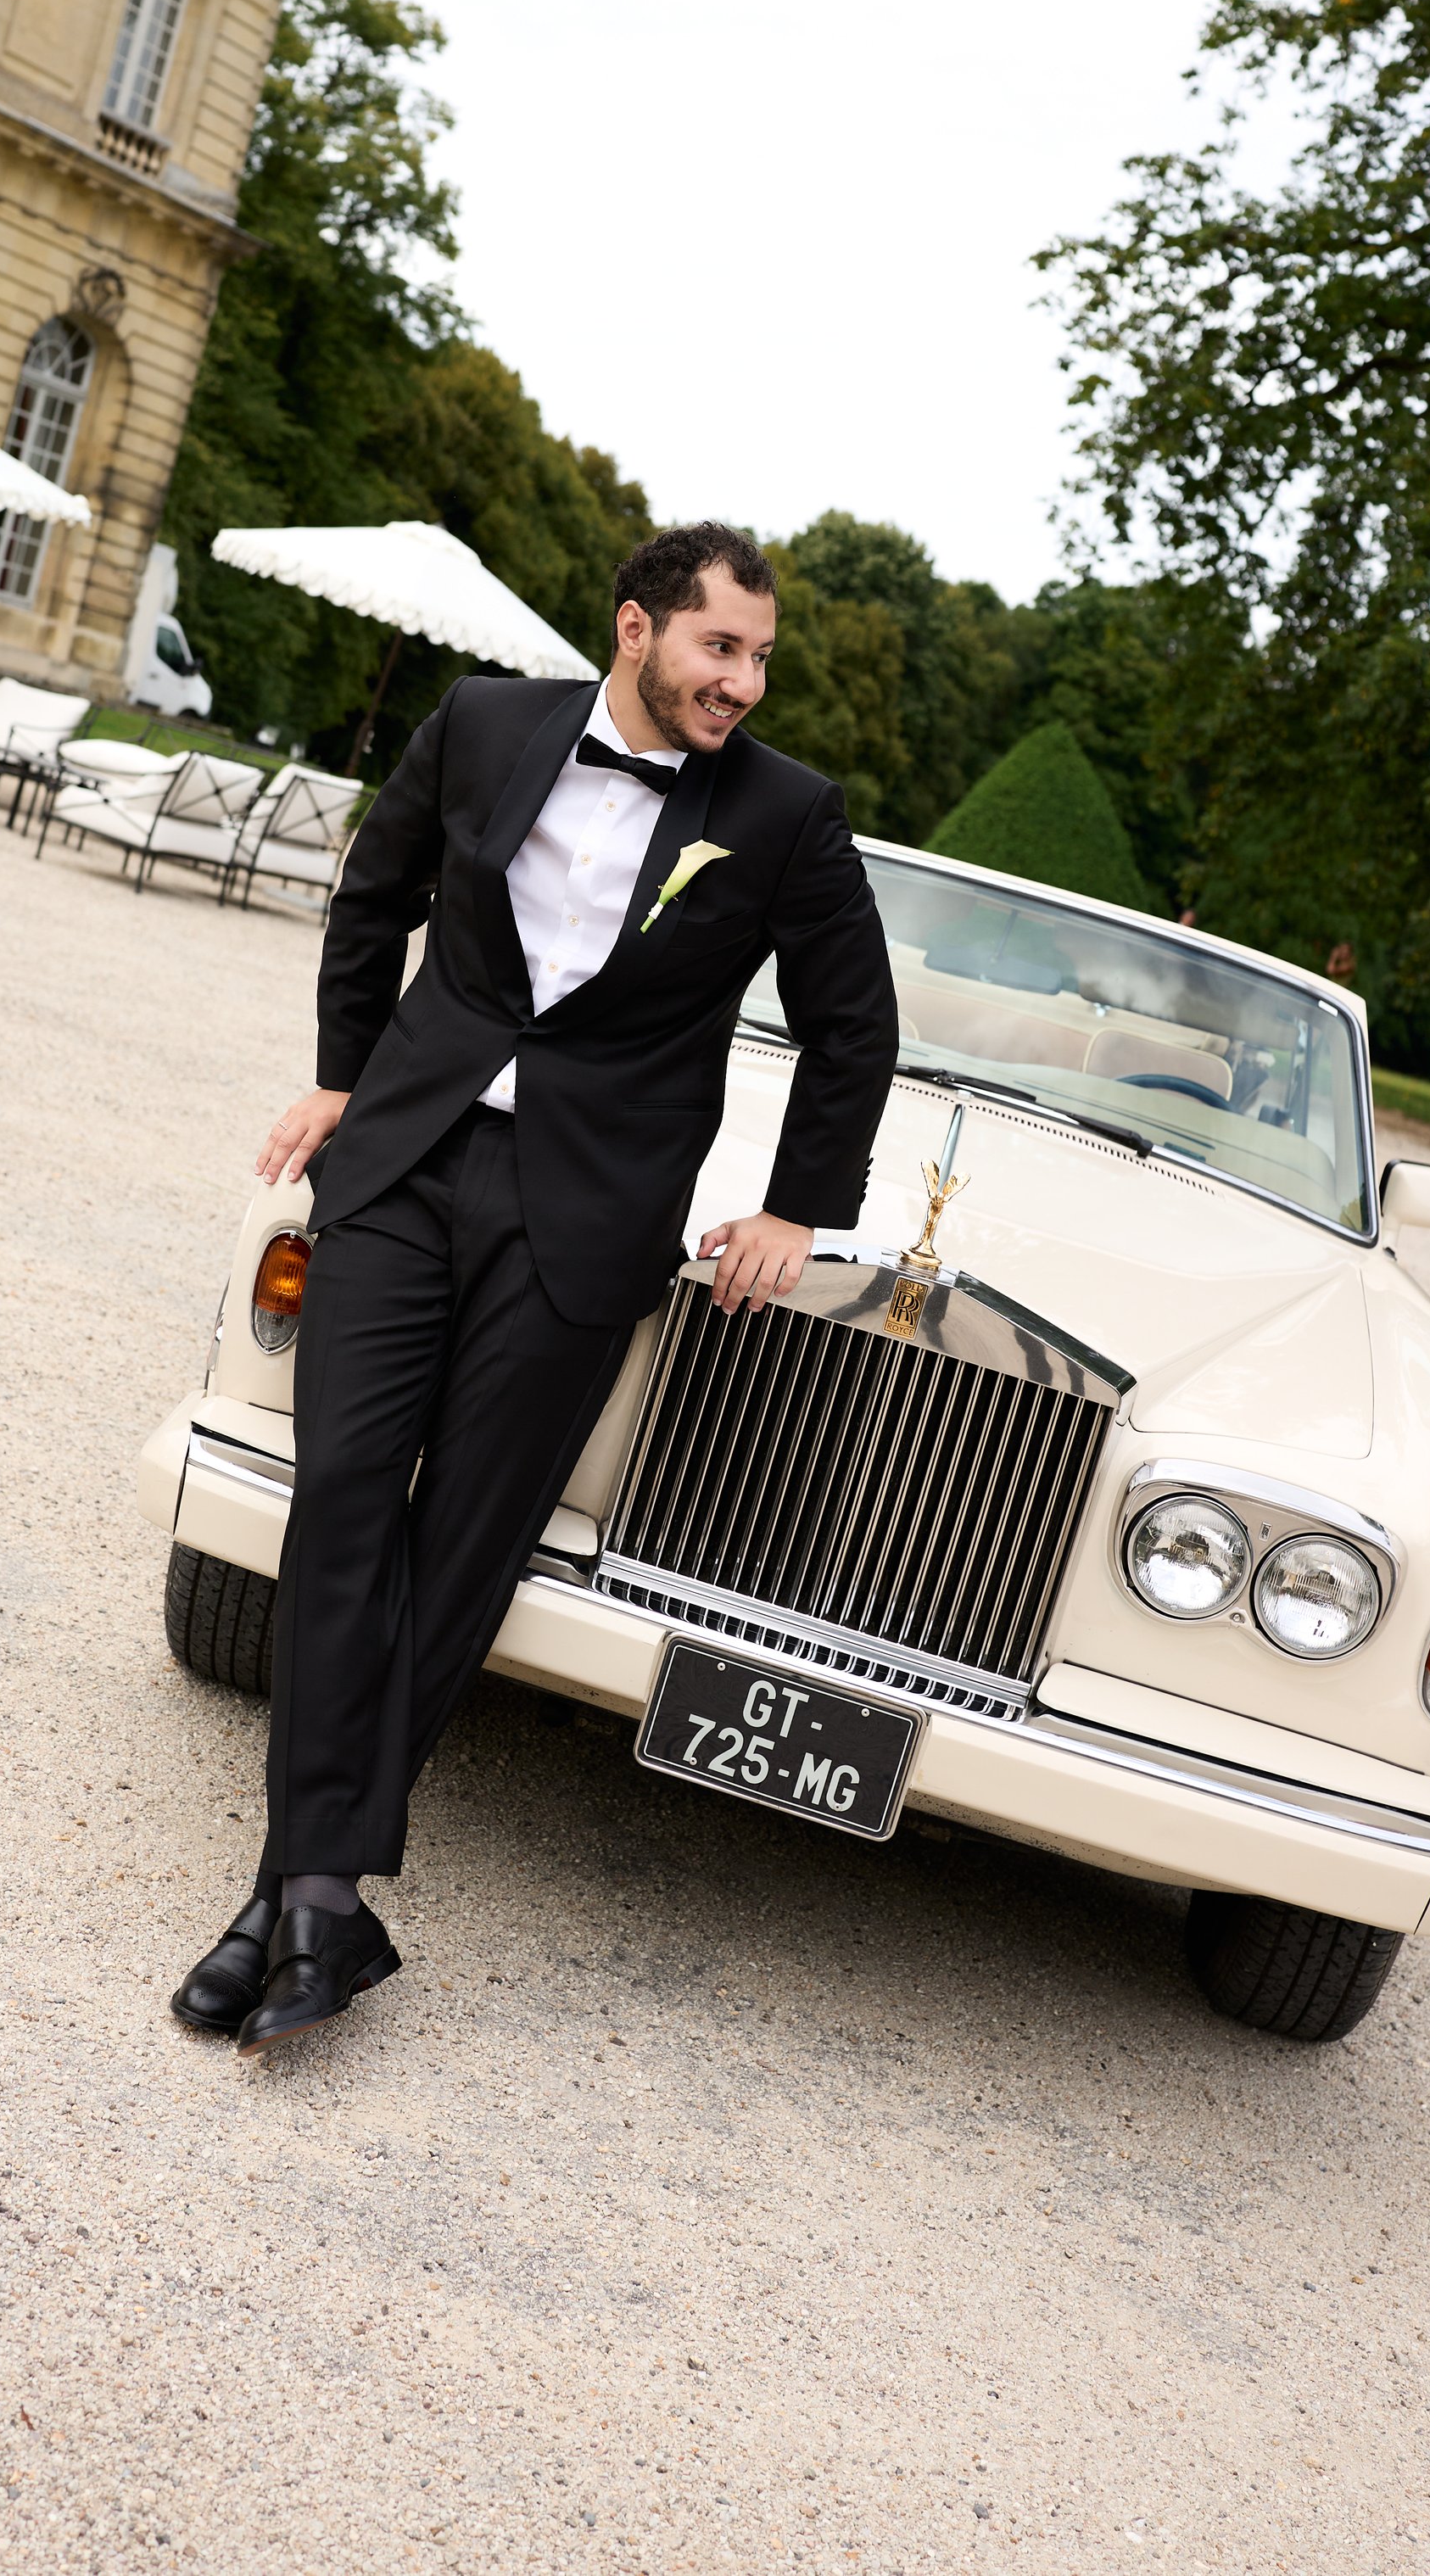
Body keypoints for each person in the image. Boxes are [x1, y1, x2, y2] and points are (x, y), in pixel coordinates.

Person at [170, 521, 898, 2054]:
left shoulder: (786, 815)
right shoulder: (486, 722)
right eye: (719, 647)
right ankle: (319, 1894)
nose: (744, 682)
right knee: (344, 1492)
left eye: (761, 658)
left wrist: (796, 1206)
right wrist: (346, 1077)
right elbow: (374, 897)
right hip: (407, 1162)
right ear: (637, 629)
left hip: (586, 1216)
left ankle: (293, 1896)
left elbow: (856, 1026)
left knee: (463, 1545)